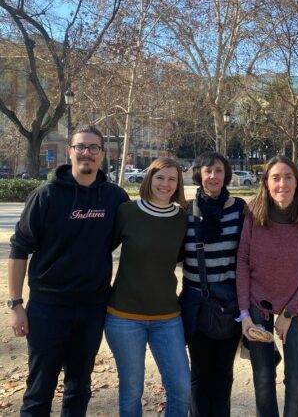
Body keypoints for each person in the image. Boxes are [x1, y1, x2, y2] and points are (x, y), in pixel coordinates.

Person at [8, 125, 129, 416]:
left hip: (92, 307)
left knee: (79, 387)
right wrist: (16, 304)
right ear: (69, 151)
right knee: (39, 390)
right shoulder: (46, 195)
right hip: (48, 307)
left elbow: (130, 237)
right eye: (81, 146)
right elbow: (19, 249)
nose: (87, 152)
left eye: (94, 147)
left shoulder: (115, 197)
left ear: (102, 154)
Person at [237, 155, 298, 417]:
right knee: (263, 378)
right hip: (258, 306)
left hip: (296, 306)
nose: (282, 184)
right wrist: (244, 314)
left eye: (288, 177)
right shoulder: (254, 210)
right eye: (275, 178)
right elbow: (242, 261)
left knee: (297, 381)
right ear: (266, 182)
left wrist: (289, 313)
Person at [105, 158, 191, 416]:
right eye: (159, 177)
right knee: (132, 390)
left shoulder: (182, 218)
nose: (165, 184)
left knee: (182, 388)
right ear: (149, 179)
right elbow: (99, 251)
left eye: (172, 179)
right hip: (124, 317)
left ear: (178, 184)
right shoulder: (127, 212)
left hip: (168, 317)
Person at [181, 152, 246, 417]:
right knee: (199, 374)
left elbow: (248, 254)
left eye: (219, 170)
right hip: (195, 304)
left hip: (227, 305)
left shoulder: (239, 209)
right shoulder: (186, 211)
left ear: (226, 175)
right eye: (207, 171)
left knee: (223, 373)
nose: (213, 176)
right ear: (198, 174)